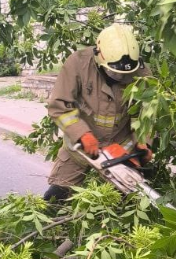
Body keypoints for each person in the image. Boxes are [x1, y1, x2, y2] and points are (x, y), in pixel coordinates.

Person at [42, 23, 153, 202]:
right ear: (99, 57)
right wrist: (81, 134)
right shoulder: (78, 64)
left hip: (119, 151)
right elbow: (58, 105)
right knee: (55, 199)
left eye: (124, 74)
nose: (120, 77)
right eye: (114, 72)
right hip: (80, 150)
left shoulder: (141, 73)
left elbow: (146, 114)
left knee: (126, 204)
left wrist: (143, 142)